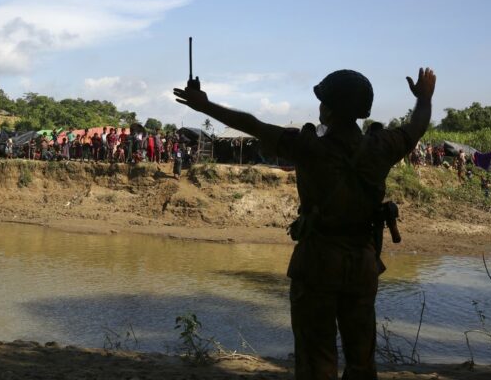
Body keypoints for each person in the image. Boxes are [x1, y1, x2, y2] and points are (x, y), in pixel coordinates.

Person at [174, 67, 436, 379]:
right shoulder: (382, 146)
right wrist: (424, 98)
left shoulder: (310, 147)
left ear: (331, 108)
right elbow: (416, 127)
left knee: (316, 360)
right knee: (362, 360)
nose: (320, 107)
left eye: (323, 101)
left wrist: (204, 106)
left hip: (318, 263)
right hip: (362, 264)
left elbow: (254, 125)